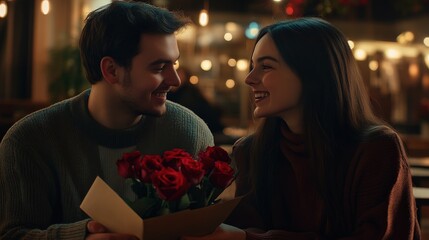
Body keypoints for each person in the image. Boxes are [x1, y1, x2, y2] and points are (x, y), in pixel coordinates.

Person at [181, 17, 420, 240]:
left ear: (312, 73)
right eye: (253, 66)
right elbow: (243, 227)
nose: (250, 78)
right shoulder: (250, 151)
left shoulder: (376, 148)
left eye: (266, 66)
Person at [0, 1, 214, 240]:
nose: (175, 80)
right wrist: (82, 237)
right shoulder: (29, 140)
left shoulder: (191, 132)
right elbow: (14, 235)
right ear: (111, 70)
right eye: (160, 67)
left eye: (174, 64)